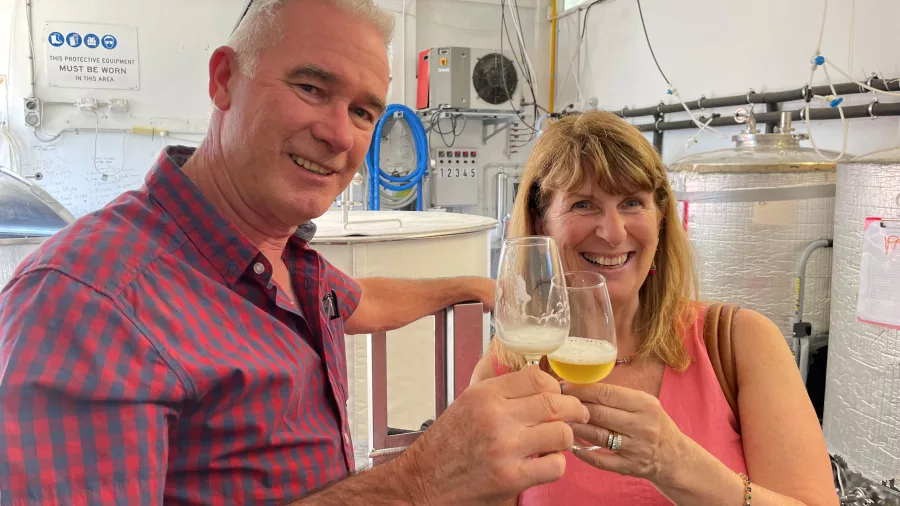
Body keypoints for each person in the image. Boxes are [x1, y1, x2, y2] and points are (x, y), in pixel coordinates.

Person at [0, 1, 591, 504]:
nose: (339, 134)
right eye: (311, 88)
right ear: (224, 80)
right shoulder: (86, 303)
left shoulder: (282, 259)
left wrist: (475, 286)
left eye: (363, 112)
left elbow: (364, 302)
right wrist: (419, 481)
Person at [472, 111, 839, 505]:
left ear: (661, 219)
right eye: (582, 205)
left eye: (632, 202)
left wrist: (675, 464)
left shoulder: (739, 344)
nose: (613, 233)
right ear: (541, 224)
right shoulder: (507, 372)